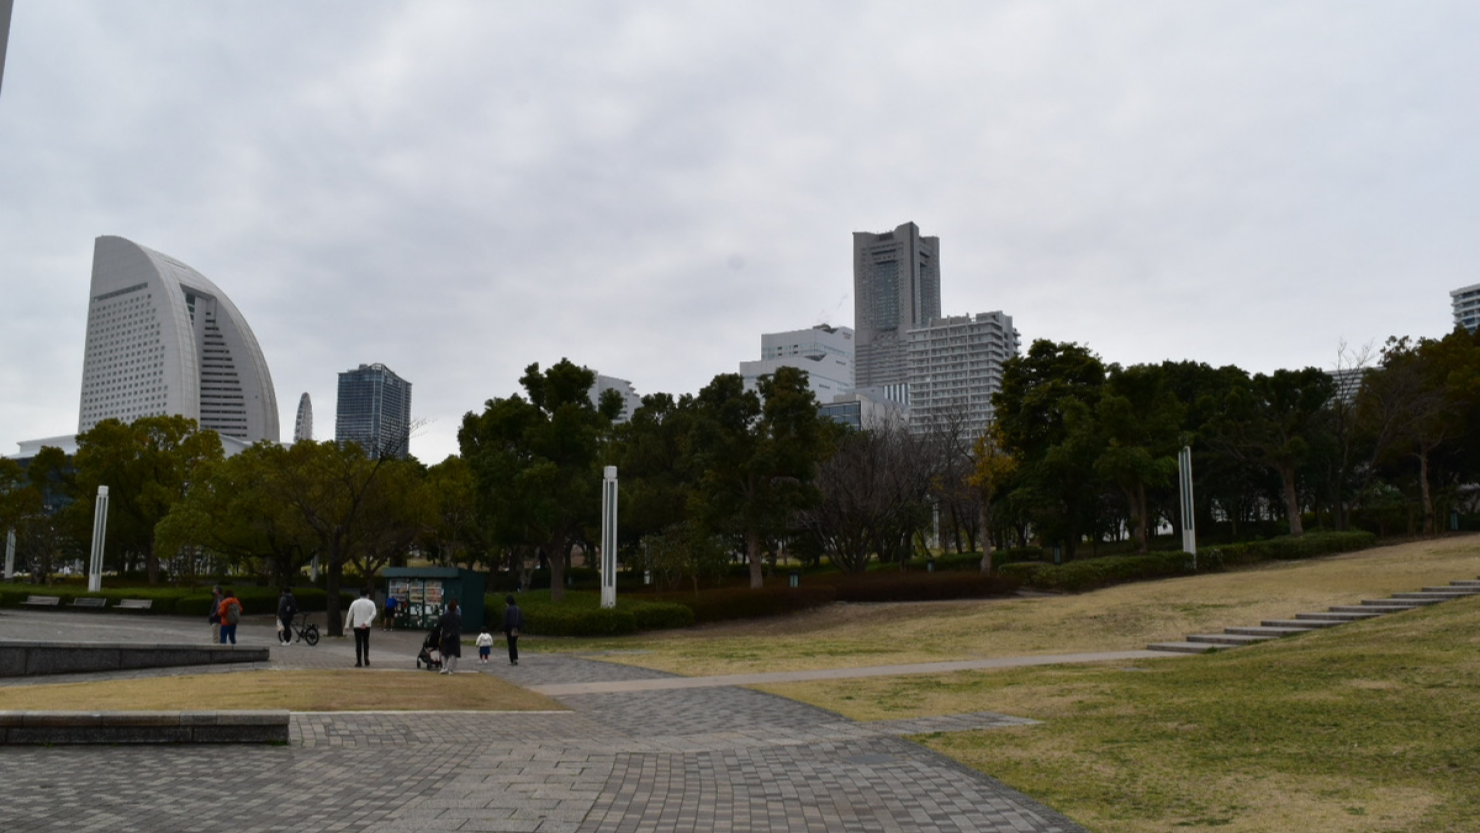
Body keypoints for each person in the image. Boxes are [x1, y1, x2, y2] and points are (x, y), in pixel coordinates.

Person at [345, 588, 377, 667]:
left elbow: (350, 613)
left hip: (357, 625)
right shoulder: (371, 603)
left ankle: (359, 661)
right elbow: (374, 613)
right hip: (366, 626)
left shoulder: (355, 602)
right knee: (366, 642)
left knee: (358, 643)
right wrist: (366, 622)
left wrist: (347, 625)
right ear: (367, 594)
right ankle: (366, 656)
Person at [439, 598, 462, 675]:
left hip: (445, 636)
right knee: (453, 653)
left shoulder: (444, 616)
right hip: (455, 637)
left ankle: (444, 667)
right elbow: (460, 625)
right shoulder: (458, 617)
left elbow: (439, 625)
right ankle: (451, 670)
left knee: (444, 652)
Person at [502, 595, 524, 666]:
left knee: (510, 644)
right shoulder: (518, 609)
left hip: (509, 628)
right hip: (516, 628)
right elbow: (521, 619)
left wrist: (504, 630)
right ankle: (515, 658)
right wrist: (520, 628)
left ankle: (512, 659)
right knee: (514, 643)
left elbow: (505, 620)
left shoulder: (507, 609)